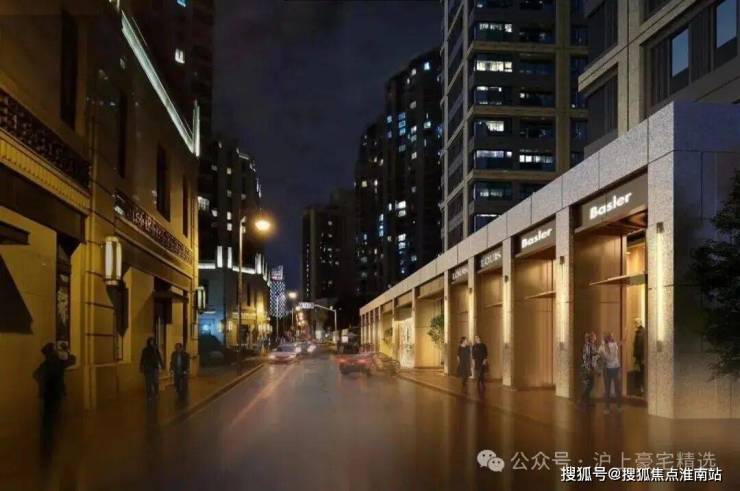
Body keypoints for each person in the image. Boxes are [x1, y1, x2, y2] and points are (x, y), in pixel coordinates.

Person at [599, 333, 622, 414]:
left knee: (609, 389)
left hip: (609, 368)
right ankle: (618, 407)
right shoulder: (613, 345)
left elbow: (602, 357)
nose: (613, 338)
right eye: (612, 337)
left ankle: (608, 408)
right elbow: (622, 342)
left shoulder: (604, 346)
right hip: (613, 368)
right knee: (615, 388)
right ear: (610, 339)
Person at [579, 332, 598, 408]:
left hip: (590, 367)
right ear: (592, 338)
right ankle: (583, 400)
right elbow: (587, 356)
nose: (595, 338)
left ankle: (586, 401)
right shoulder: (588, 346)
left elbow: (594, 355)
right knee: (588, 385)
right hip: (587, 368)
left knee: (590, 385)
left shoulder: (591, 345)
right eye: (594, 337)